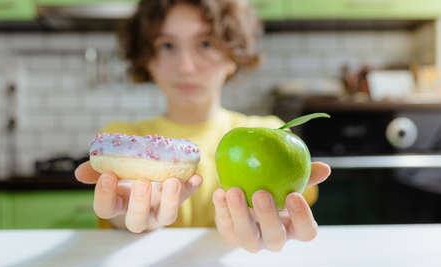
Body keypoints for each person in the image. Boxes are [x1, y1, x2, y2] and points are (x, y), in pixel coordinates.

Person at [74, 0, 331, 253]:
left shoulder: (274, 133)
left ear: (233, 55)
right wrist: (129, 217)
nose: (186, 66)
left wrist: (271, 219)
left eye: (205, 44)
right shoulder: (123, 141)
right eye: (166, 46)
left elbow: (291, 207)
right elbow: (120, 210)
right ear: (147, 59)